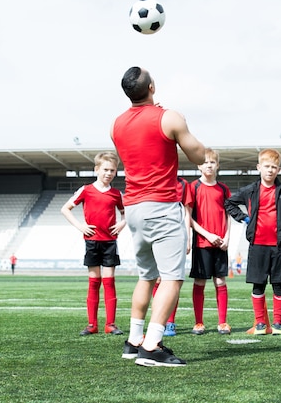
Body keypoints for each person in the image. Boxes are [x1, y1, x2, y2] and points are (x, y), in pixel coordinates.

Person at [111, 66, 205, 367]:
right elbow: (199, 156)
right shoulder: (169, 117)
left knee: (146, 275)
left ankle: (134, 339)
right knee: (172, 278)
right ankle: (151, 346)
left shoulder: (117, 124)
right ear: (151, 87)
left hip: (134, 206)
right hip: (162, 206)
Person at [225, 148, 281, 336]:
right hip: (257, 245)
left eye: (274, 167)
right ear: (259, 167)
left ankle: (278, 324)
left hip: (278, 246)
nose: (270, 170)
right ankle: (261, 324)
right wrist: (244, 218)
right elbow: (229, 203)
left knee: (279, 284)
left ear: (278, 170)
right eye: (267, 166)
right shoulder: (250, 191)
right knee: (258, 285)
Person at [61, 152, 126, 336]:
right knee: (94, 283)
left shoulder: (116, 194)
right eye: (105, 169)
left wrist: (122, 223)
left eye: (112, 170)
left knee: (109, 282)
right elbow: (65, 208)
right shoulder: (86, 190)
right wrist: (80, 226)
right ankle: (92, 325)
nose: (109, 173)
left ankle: (110, 324)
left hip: (110, 242)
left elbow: (126, 213)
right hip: (92, 242)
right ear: (96, 169)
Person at [189, 148, 232, 335]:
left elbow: (230, 215)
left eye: (212, 162)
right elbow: (188, 218)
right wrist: (207, 235)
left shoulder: (223, 189)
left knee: (221, 281)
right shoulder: (193, 187)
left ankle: (222, 322)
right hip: (202, 243)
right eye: (205, 162)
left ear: (217, 166)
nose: (209, 165)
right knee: (200, 282)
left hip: (221, 243)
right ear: (199, 166)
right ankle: (199, 322)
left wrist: (227, 238)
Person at [152, 176, 193, 337]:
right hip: (155, 233)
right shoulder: (153, 180)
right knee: (156, 280)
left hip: (176, 235)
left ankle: (169, 322)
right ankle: (157, 321)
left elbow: (186, 212)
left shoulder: (183, 184)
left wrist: (187, 237)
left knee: (172, 279)